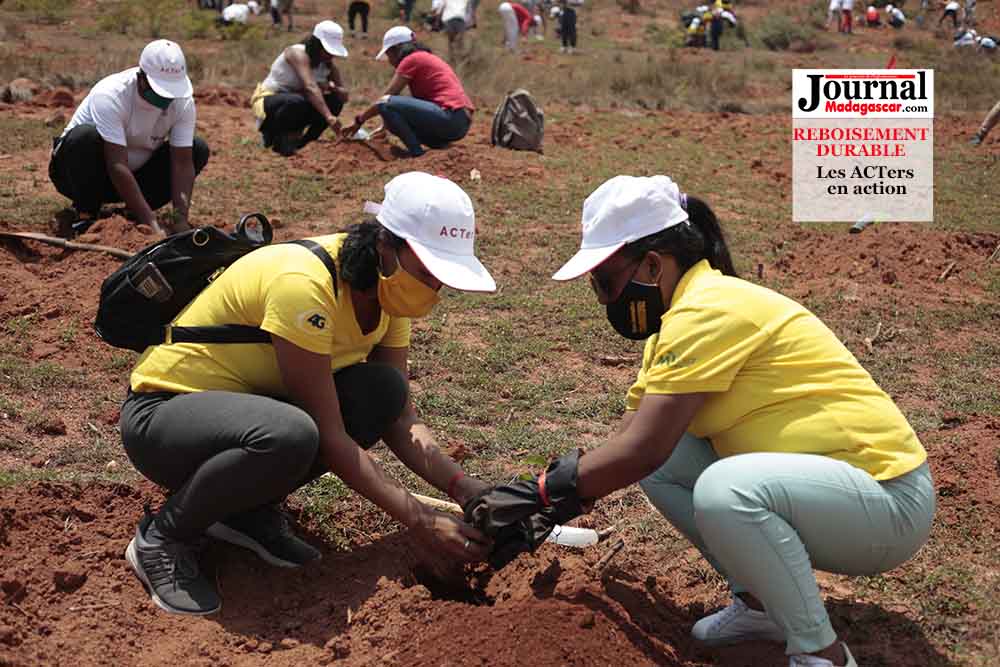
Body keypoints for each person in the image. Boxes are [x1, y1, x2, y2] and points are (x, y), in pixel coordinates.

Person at [464, 175, 935, 667]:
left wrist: (538, 494)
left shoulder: (708, 311)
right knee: (668, 464)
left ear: (652, 265)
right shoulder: (675, 321)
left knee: (723, 491)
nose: (603, 298)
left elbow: (640, 449)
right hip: (833, 490)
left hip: (887, 503)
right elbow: (631, 441)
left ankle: (823, 653)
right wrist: (552, 503)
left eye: (605, 281)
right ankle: (762, 606)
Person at [122, 171, 497, 616]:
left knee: (383, 391)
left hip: (246, 420)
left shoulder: (389, 292)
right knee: (291, 434)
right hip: (163, 417)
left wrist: (464, 488)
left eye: (440, 279)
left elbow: (401, 418)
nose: (432, 288)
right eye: (426, 272)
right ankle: (163, 537)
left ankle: (241, 511)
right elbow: (331, 437)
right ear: (385, 244)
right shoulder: (305, 283)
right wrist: (420, 519)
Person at [48, 40, 208, 237]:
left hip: (133, 178)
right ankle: (86, 213)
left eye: (171, 93)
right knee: (84, 137)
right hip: (78, 175)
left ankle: (132, 212)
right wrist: (151, 223)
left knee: (197, 149)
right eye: (160, 92)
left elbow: (182, 163)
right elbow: (117, 164)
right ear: (141, 78)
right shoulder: (111, 94)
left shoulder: (183, 101)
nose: (166, 100)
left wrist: (180, 219)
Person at [342, 27, 474, 158]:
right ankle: (441, 147)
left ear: (396, 48)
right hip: (460, 122)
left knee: (386, 103)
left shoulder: (411, 59)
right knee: (393, 115)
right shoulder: (426, 58)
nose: (389, 61)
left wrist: (359, 121)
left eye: (388, 54)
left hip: (450, 116)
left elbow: (385, 99)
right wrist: (385, 127)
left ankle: (417, 154)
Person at [250, 21, 349, 157]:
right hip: (271, 102)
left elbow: (344, 97)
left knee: (335, 101)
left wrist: (334, 88)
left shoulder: (329, 66)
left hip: (298, 103)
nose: (331, 55)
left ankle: (305, 143)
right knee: (296, 101)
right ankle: (275, 137)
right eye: (328, 50)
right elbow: (310, 87)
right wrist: (329, 117)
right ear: (316, 44)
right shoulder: (296, 53)